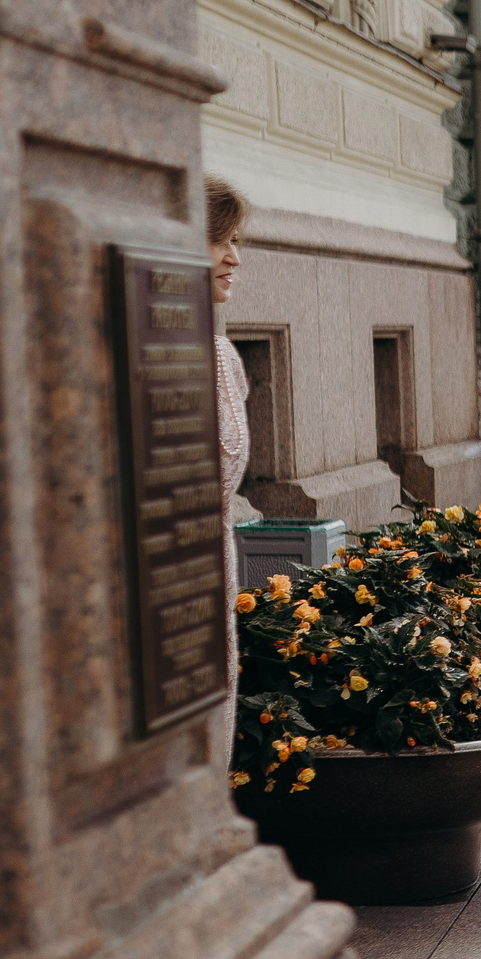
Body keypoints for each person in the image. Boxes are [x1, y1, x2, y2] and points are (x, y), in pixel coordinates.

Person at [207, 176, 253, 763]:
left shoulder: (225, 358)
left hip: (217, 567)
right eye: (218, 238)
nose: (234, 256)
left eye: (237, 239)